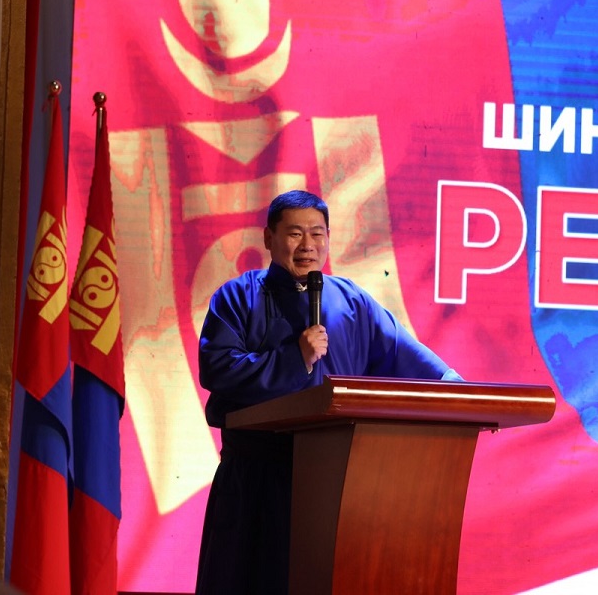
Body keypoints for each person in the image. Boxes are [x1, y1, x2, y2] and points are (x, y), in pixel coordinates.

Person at [194, 189, 461, 595]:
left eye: (317, 234)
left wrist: (455, 388)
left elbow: (404, 354)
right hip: (257, 476)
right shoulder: (237, 297)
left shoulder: (352, 301)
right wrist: (294, 359)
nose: (308, 245)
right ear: (268, 238)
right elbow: (218, 368)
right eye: (295, 234)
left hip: (337, 478)